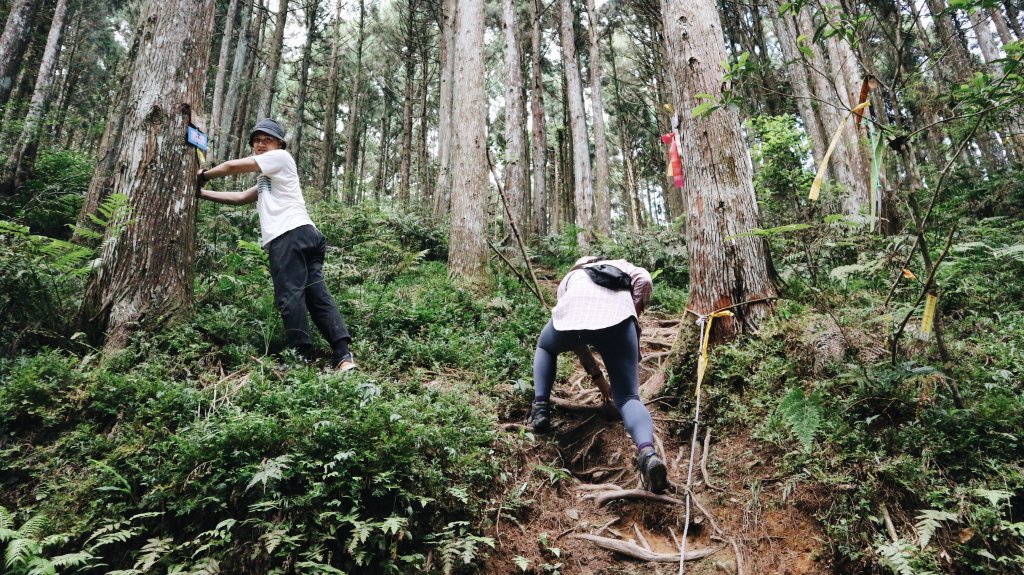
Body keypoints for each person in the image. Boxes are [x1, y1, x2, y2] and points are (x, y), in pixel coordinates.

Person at [196, 118, 356, 372]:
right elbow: (239, 198)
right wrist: (202, 193)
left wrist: (204, 176)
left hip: (288, 235)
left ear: (279, 143)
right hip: (307, 234)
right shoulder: (268, 177)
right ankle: (343, 356)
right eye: (257, 140)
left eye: (267, 140)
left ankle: (299, 357)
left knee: (289, 295)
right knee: (317, 296)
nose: (260, 145)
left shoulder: (280, 157)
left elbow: (231, 167)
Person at [528, 256, 668, 493]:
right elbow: (644, 279)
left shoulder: (571, 277)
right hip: (618, 322)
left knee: (545, 346)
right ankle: (647, 452)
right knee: (628, 399)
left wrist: (597, 376)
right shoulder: (622, 265)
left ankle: (540, 407)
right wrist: (632, 312)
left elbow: (574, 333)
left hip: (573, 321)